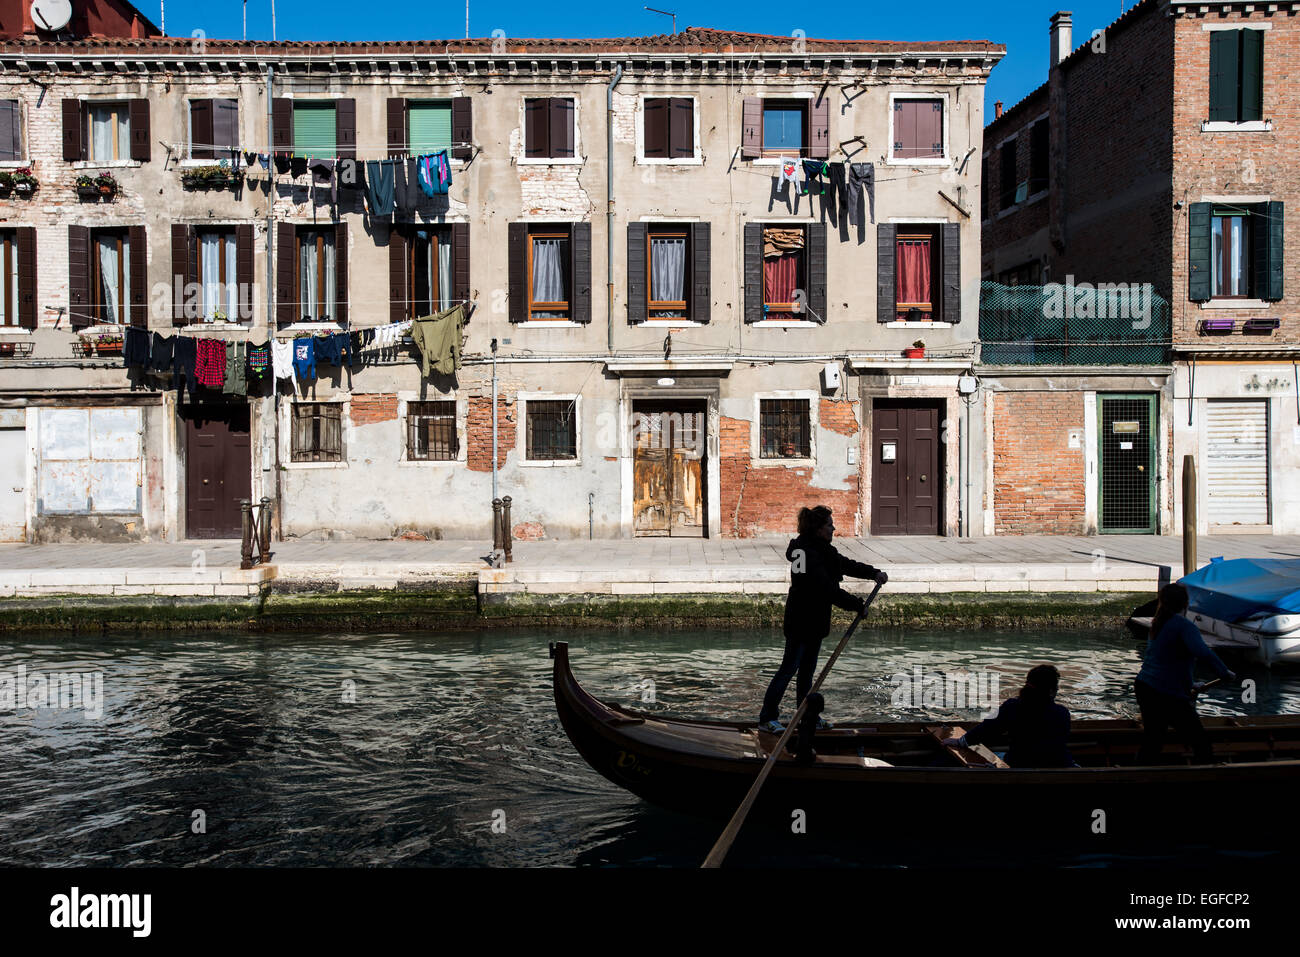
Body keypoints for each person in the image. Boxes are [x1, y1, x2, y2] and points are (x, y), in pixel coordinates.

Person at [757, 505, 887, 734]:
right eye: (829, 524)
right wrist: (857, 606)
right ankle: (768, 718)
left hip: (813, 620)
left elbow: (844, 564)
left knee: (806, 673)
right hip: (801, 620)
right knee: (789, 669)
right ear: (817, 528)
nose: (833, 528)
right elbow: (826, 589)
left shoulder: (816, 548)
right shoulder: (808, 552)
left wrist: (872, 572)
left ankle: (806, 718)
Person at [1134, 583, 1236, 765]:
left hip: (1145, 687)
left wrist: (1189, 684)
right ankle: (1204, 774)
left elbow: (1167, 661)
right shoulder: (1183, 626)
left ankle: (1140, 772)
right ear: (1186, 603)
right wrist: (1224, 671)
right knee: (1200, 742)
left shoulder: (1158, 623)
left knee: (1153, 739)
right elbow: (1202, 652)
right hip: (1165, 692)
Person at [941, 664, 1075, 768]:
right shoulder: (1062, 713)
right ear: (1051, 691)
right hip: (1060, 765)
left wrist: (960, 741)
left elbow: (988, 729)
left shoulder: (1013, 706)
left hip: (1019, 764)